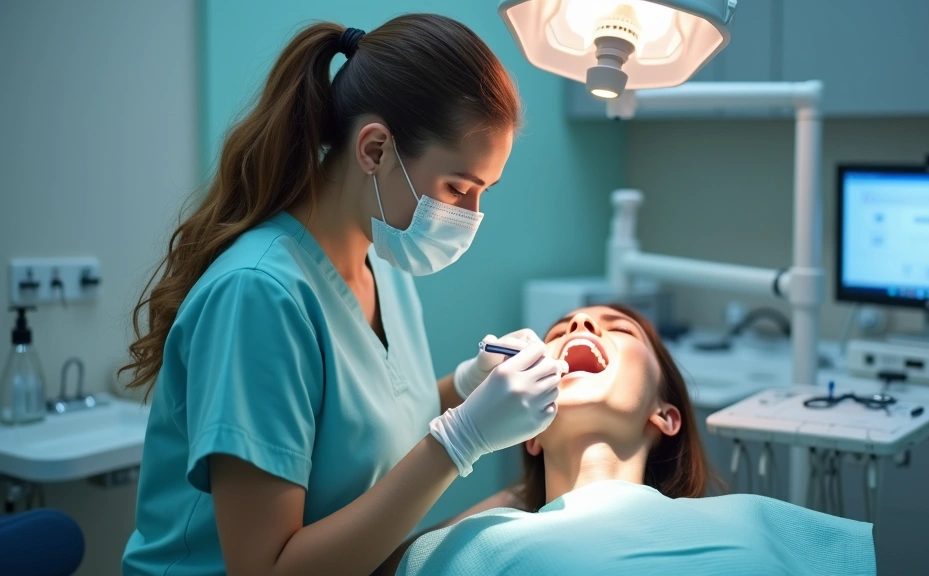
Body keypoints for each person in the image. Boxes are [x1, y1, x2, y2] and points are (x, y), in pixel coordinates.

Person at [120, 15, 564, 576]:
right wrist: (463, 438)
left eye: (483, 192)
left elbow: (359, 424)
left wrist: (466, 388)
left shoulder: (383, 262)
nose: (470, 218)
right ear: (375, 150)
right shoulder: (258, 296)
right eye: (457, 188)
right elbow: (266, 568)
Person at [396, 305, 877, 576]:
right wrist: (471, 440)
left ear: (665, 416)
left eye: (619, 329)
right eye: (560, 332)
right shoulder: (482, 542)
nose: (581, 327)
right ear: (530, 436)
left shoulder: (756, 518)